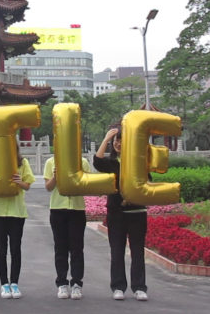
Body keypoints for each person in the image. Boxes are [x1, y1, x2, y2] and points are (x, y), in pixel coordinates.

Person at [93, 126, 149, 302]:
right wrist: (106, 138)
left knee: (137, 251)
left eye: (121, 140)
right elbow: (97, 161)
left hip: (137, 212)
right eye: (115, 141)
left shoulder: (137, 161)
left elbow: (148, 180)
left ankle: (139, 287)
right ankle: (118, 286)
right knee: (117, 250)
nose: (118, 143)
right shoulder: (110, 163)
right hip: (116, 213)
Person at [0, 143, 35, 299]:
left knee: (15, 248)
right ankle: (4, 284)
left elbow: (27, 186)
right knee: (1, 249)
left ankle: (14, 283)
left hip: (16, 212)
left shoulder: (23, 162)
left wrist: (19, 181)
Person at [43, 155, 88, 300]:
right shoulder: (51, 162)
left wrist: (77, 176)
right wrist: (56, 176)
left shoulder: (82, 161)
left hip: (77, 209)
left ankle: (76, 284)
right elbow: (48, 187)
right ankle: (62, 283)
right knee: (60, 248)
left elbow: (86, 186)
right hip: (57, 209)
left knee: (77, 248)